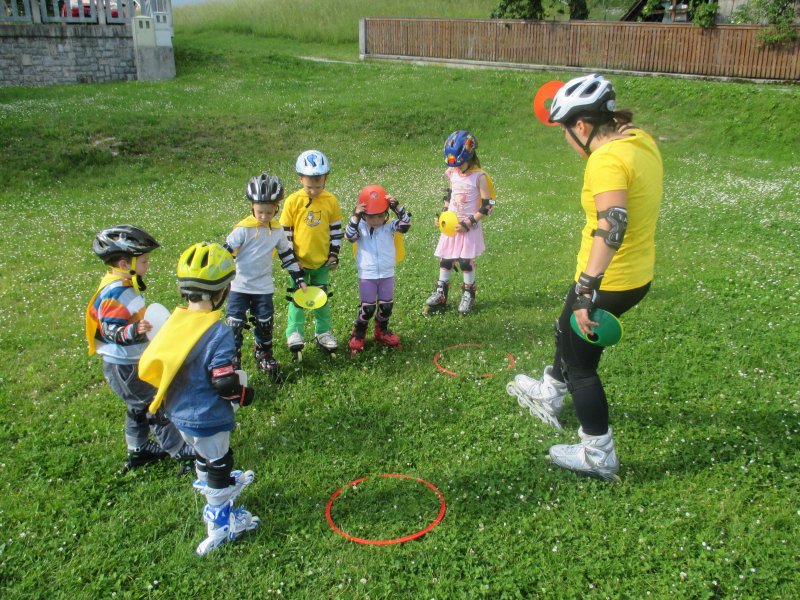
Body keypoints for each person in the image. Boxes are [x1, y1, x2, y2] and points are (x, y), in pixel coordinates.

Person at [507, 74, 663, 482]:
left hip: (609, 279)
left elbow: (613, 225)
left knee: (581, 365)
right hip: (634, 274)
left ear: (581, 125)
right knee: (565, 329)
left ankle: (598, 453)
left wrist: (586, 290)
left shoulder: (606, 160)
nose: (566, 140)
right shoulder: (639, 141)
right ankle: (550, 392)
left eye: (565, 130)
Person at [138, 242, 260, 556]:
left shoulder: (175, 322)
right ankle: (221, 523)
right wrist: (244, 394)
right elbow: (224, 382)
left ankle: (217, 482)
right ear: (223, 292)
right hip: (208, 416)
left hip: (177, 413)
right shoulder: (217, 333)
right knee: (218, 460)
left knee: (203, 456)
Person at [85, 225, 194, 471]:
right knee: (155, 405)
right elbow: (110, 330)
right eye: (144, 261)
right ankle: (180, 451)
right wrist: (134, 331)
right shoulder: (115, 293)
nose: (148, 265)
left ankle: (139, 449)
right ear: (125, 264)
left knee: (137, 407)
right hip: (123, 366)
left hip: (129, 361)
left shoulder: (124, 284)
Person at [224, 173, 306, 381]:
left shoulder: (277, 231)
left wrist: (298, 277)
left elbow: (287, 254)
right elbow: (225, 253)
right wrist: (218, 275)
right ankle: (232, 358)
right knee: (235, 323)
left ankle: (264, 354)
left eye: (269, 212)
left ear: (276, 208)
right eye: (260, 211)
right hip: (239, 286)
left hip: (263, 288)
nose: (264, 216)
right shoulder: (243, 229)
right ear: (252, 206)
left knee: (265, 322)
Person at [424, 130, 496, 316]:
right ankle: (441, 293)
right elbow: (450, 196)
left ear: (469, 157)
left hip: (468, 227)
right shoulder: (453, 172)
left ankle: (468, 293)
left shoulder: (479, 177)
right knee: (445, 259)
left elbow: (487, 205)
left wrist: (469, 222)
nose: (456, 167)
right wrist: (443, 215)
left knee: (465, 261)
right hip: (451, 226)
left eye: (459, 163)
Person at [279, 150, 344, 356]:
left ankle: (323, 332)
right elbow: (285, 233)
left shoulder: (330, 200)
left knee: (321, 299)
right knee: (297, 299)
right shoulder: (293, 201)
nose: (314, 191)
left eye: (318, 186)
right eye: (309, 187)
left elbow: (335, 230)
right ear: (300, 179)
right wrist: (292, 260)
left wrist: (334, 254)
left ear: (326, 179)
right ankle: (294, 332)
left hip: (321, 262)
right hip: (299, 263)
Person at [344, 184, 412, 355]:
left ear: (386, 213)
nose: (376, 220)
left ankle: (381, 331)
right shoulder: (360, 227)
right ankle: (358, 334)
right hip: (367, 274)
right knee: (367, 309)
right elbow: (349, 236)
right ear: (364, 215)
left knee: (386, 306)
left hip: (387, 273)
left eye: (380, 216)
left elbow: (406, 224)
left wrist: (397, 207)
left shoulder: (389, 226)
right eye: (371, 217)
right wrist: (355, 216)